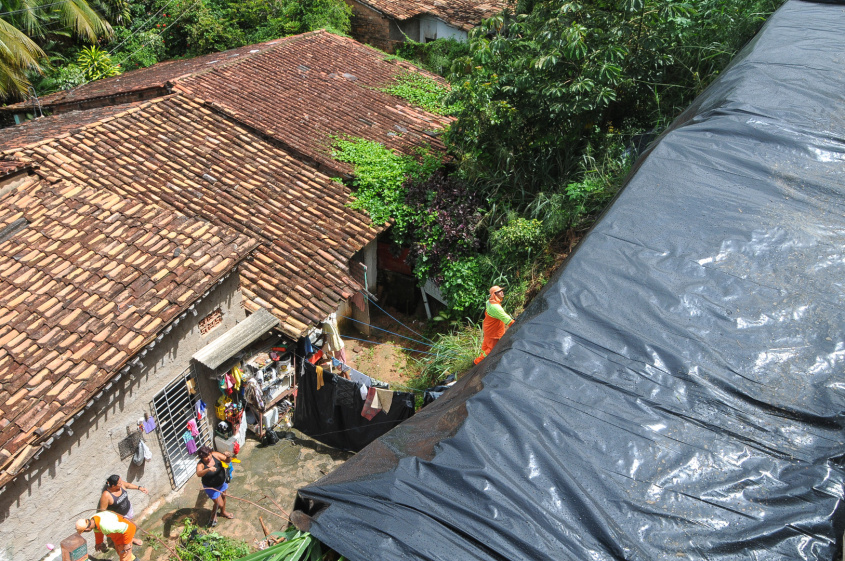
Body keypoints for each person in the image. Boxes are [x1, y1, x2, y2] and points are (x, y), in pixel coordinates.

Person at [474, 286, 515, 365]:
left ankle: (481, 358)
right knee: (491, 349)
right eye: (499, 291)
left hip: (488, 327)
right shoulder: (496, 308)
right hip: (493, 332)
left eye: (501, 290)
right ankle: (477, 362)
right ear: (494, 294)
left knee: (485, 346)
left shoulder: (489, 302)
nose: (502, 292)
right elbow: (508, 320)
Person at [196, 445, 234, 527]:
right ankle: (213, 515)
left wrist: (228, 456)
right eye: (205, 456)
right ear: (202, 458)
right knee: (219, 504)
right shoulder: (201, 464)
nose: (208, 457)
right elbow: (199, 474)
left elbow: (227, 461)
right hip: (211, 487)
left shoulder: (215, 455)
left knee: (224, 497)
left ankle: (223, 512)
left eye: (209, 454)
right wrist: (208, 469)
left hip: (222, 483)